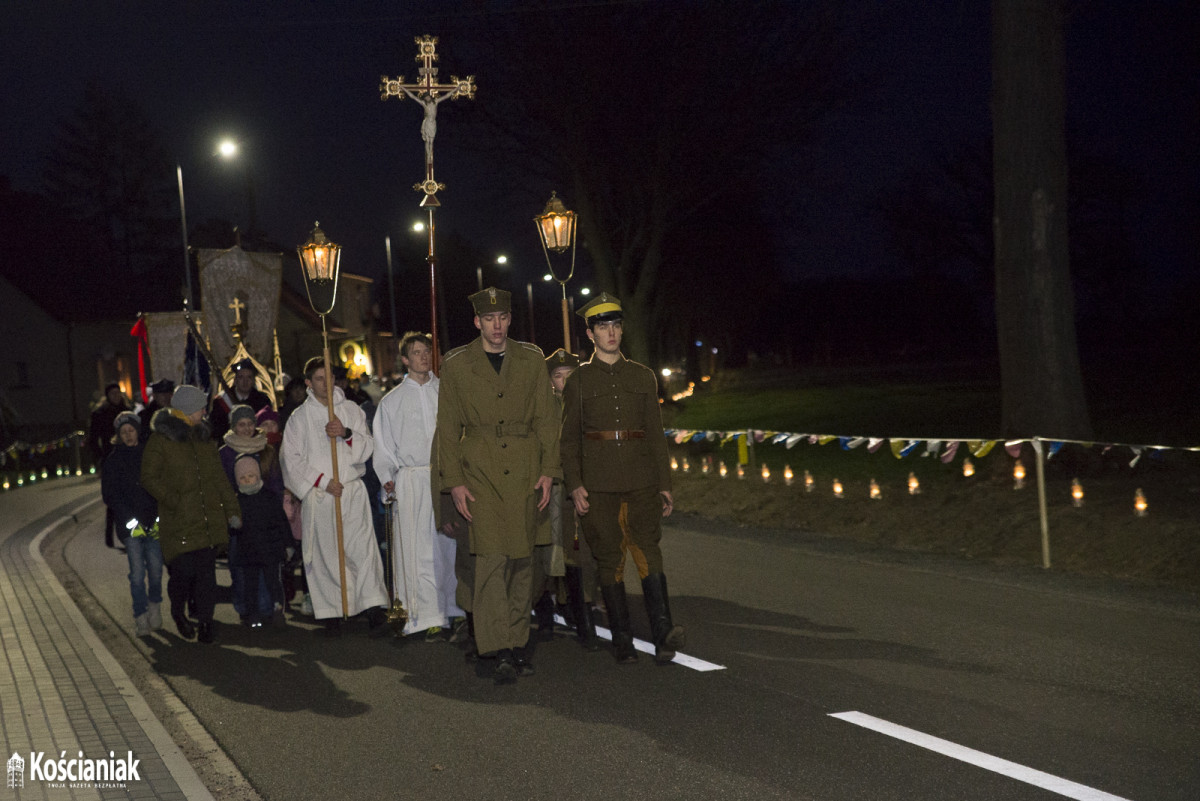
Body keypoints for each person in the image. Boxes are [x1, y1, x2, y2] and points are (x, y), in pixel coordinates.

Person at [435, 287, 560, 682]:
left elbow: (546, 419)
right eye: (488, 319)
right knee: (490, 559)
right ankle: (499, 647)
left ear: (510, 320)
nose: (496, 325)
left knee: (523, 561)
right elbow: (447, 428)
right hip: (480, 470)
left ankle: (518, 640)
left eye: (502, 318)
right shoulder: (456, 365)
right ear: (477, 322)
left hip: (524, 468)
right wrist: (453, 482)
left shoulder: (532, 360)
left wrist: (548, 470)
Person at [560, 293, 684, 664]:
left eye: (615, 325)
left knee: (648, 552)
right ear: (590, 334)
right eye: (603, 327)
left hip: (642, 480)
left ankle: (663, 634)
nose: (611, 333)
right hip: (598, 485)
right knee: (609, 559)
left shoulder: (642, 376)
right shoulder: (579, 381)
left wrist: (665, 484)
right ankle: (622, 639)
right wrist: (576, 484)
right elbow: (569, 440)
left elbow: (654, 434)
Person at [281, 357, 388, 638]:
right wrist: (324, 482)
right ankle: (332, 611)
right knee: (327, 554)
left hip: (351, 490)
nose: (325, 383)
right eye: (318, 379)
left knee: (362, 550)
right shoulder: (299, 418)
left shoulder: (351, 409)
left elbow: (367, 444)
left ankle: (373, 606)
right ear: (308, 383)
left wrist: (346, 433)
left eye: (329, 377)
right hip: (321, 494)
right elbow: (290, 460)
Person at [373, 332, 463, 640]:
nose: (424, 356)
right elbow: (383, 447)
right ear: (405, 359)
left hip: (446, 478)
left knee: (450, 546)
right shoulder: (392, 401)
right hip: (412, 481)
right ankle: (428, 616)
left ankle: (456, 608)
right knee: (421, 550)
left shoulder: (449, 392)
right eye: (417, 352)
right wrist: (388, 478)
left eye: (428, 351)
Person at [142, 385, 242, 644]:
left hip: (207, 519)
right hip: (179, 522)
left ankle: (206, 623)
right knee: (183, 574)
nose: (204, 411)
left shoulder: (205, 438)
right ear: (185, 410)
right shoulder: (161, 440)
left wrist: (232, 510)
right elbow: (148, 477)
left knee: (206, 576)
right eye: (200, 407)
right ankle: (178, 612)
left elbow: (219, 479)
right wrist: (173, 500)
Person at [539, 348, 600, 651]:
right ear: (550, 381)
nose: (564, 382)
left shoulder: (587, 405)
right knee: (555, 552)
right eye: (558, 376)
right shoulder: (544, 409)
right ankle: (554, 605)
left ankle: (583, 612)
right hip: (555, 488)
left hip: (584, 487)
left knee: (583, 553)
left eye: (570, 376)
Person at [101, 411, 163, 637]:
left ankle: (155, 604)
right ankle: (140, 615)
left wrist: (157, 517)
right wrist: (129, 520)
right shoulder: (114, 460)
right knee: (137, 573)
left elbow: (160, 485)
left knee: (155, 570)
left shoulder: (150, 454)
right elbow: (110, 495)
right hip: (131, 527)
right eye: (123, 432)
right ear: (118, 435)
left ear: (138, 430)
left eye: (131, 430)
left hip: (153, 523)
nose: (128, 435)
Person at [219, 404, 282, 623]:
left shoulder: (265, 449)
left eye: (249, 424)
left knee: (266, 566)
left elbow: (275, 481)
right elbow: (222, 486)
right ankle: (245, 607)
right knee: (240, 567)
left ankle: (266, 608)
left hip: (263, 517)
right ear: (233, 427)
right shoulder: (225, 453)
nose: (246, 429)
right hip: (238, 518)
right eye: (241, 424)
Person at [231, 455, 292, 629]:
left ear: (258, 475)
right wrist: (233, 525)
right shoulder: (237, 501)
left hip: (270, 549)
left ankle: (277, 609)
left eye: (250, 476)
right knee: (250, 585)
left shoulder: (269, 497)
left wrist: (288, 545)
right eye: (242, 478)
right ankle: (252, 614)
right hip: (248, 550)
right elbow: (233, 529)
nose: (247, 480)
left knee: (273, 582)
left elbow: (281, 522)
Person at [89, 382, 130, 548]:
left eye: (117, 393)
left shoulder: (126, 412)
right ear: (108, 396)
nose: (116, 396)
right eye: (112, 393)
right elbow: (93, 438)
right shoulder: (100, 414)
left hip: (126, 457)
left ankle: (127, 533)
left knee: (128, 495)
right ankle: (109, 534)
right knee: (112, 496)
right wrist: (101, 458)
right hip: (109, 457)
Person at [210, 358, 272, 440]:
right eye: (241, 377)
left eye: (249, 377)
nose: (245, 381)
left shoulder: (263, 400)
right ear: (235, 380)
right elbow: (216, 430)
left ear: (254, 381)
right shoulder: (222, 400)